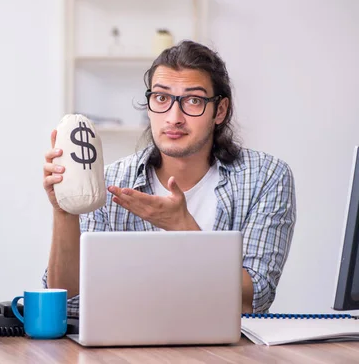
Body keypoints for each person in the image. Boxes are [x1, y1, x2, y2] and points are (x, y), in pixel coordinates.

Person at [41, 40, 296, 317]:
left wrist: (182, 227)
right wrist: (64, 212)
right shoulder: (110, 180)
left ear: (219, 111)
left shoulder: (266, 177)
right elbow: (68, 302)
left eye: (193, 101)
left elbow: (255, 299)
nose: (174, 118)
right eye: (162, 98)